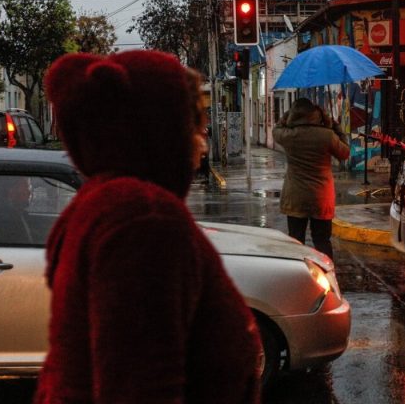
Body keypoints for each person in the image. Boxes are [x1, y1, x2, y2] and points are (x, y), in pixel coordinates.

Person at [35, 50, 261, 403]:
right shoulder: (144, 220)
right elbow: (142, 386)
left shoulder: (102, 203)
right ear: (159, 130)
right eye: (193, 124)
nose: (202, 139)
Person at [273, 98, 350, 259]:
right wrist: (335, 126)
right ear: (316, 114)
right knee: (322, 241)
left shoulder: (289, 135)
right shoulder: (327, 135)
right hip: (321, 197)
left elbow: (277, 129)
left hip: (295, 197)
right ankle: (325, 270)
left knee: (296, 241)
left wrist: (287, 116)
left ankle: (298, 270)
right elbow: (345, 153)